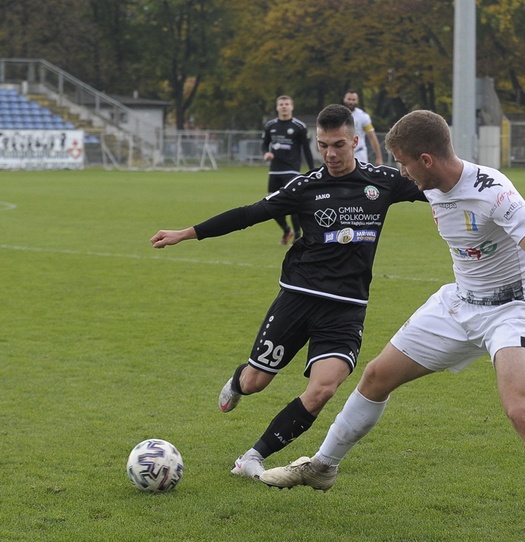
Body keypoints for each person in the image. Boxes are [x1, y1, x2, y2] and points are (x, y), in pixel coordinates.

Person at [260, 109, 525, 542]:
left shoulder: (494, 191)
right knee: (375, 377)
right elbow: (489, 248)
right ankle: (322, 467)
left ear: (426, 160)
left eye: (404, 163)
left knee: (521, 410)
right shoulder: (431, 186)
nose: (400, 173)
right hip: (457, 304)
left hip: (512, 310)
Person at [150, 104, 428, 479]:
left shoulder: (383, 182)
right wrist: (187, 233)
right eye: (323, 145)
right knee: (255, 382)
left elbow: (438, 185)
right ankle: (238, 381)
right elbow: (249, 214)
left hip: (345, 309)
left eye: (339, 145)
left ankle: (252, 457)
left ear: (355, 142)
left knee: (323, 390)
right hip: (298, 299)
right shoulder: (306, 186)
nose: (330, 153)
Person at [262, 95, 316, 245]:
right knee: (271, 205)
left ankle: (298, 236)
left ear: (292, 107)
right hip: (274, 171)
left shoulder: (299, 126)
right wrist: (266, 152)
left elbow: (306, 149)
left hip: (292, 171)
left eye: (287, 104)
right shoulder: (270, 125)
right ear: (277, 107)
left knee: (293, 204)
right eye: (281, 104)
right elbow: (265, 144)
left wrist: (312, 170)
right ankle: (287, 230)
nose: (284, 106)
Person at [342, 90, 383, 165]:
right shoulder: (338, 115)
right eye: (349, 99)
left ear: (357, 101)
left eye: (353, 100)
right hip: (342, 153)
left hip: (359, 154)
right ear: (344, 99)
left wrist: (379, 157)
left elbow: (372, 137)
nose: (351, 102)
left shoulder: (363, 116)